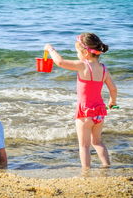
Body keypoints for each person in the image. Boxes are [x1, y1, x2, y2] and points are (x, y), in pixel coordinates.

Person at [45, 32, 117, 170]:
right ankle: (106, 165)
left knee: (84, 145)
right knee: (97, 142)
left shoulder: (83, 65)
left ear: (85, 53)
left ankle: (86, 171)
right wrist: (113, 102)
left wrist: (50, 49)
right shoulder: (103, 69)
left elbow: (60, 62)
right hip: (99, 112)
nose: (76, 54)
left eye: (77, 51)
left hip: (85, 113)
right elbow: (113, 89)